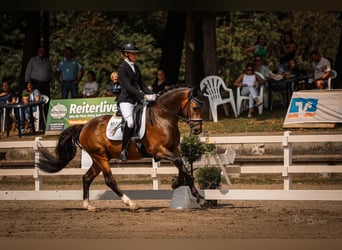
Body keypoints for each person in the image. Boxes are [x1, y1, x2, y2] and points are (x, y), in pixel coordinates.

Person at [117, 41, 156, 161]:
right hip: (126, 101)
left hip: (136, 101)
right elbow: (129, 87)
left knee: (146, 118)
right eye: (133, 53)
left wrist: (153, 94)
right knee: (130, 122)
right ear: (126, 54)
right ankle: (124, 150)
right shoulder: (122, 68)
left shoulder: (136, 67)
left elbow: (142, 85)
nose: (135, 55)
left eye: (135, 53)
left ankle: (140, 141)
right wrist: (143, 96)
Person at [24, 46, 54, 117]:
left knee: (46, 101)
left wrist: (53, 82)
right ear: (37, 52)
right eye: (40, 51)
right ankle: (36, 117)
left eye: (43, 51)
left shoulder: (47, 61)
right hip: (35, 83)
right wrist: (27, 83)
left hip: (45, 84)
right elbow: (28, 72)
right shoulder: (33, 60)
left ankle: (46, 117)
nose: (41, 53)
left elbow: (51, 73)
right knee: (36, 101)